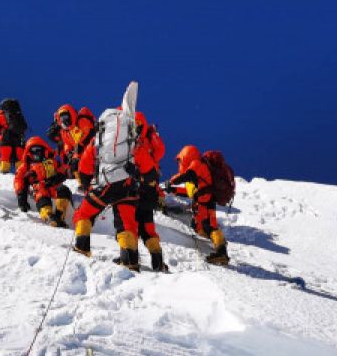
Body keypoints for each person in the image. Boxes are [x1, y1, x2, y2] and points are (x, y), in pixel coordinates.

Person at [71, 107, 152, 271]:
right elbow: (150, 172)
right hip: (128, 189)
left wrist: (87, 186)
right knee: (127, 224)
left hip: (105, 185)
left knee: (84, 213)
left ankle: (82, 248)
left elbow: (84, 167)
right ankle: (130, 261)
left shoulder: (99, 141)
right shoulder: (134, 143)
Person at [114, 111, 168, 271]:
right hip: (150, 190)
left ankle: (129, 259)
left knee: (127, 224)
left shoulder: (133, 146)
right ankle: (158, 263)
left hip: (135, 189)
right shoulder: (147, 143)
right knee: (148, 228)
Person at [166, 145, 229, 265]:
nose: (179, 163)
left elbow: (186, 176)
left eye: (181, 160)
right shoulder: (198, 170)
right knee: (205, 226)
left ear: (186, 156)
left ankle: (221, 252)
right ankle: (218, 245)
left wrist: (171, 181)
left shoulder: (197, 164)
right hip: (204, 201)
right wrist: (174, 190)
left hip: (205, 202)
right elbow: (192, 193)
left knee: (210, 226)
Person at [14, 137, 73, 227]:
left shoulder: (52, 162)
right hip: (38, 187)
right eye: (33, 150)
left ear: (44, 150)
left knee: (64, 190)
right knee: (41, 193)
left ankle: (59, 216)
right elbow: (19, 178)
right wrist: (21, 195)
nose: (36, 153)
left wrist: (61, 175)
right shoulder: (26, 166)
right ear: (29, 153)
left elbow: (65, 168)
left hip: (53, 185)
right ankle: (48, 215)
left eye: (39, 150)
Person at [46, 104, 96, 171]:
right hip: (84, 153)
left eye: (65, 117)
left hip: (94, 147)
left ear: (71, 114)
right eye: (62, 119)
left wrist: (79, 147)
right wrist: (68, 152)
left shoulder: (81, 121)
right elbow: (67, 143)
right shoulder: (66, 133)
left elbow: (89, 132)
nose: (64, 120)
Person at [0, 98, 27, 173]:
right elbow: (24, 127)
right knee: (19, 157)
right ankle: (21, 174)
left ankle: (4, 174)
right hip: (19, 137)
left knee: (5, 156)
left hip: (6, 137)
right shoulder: (18, 114)